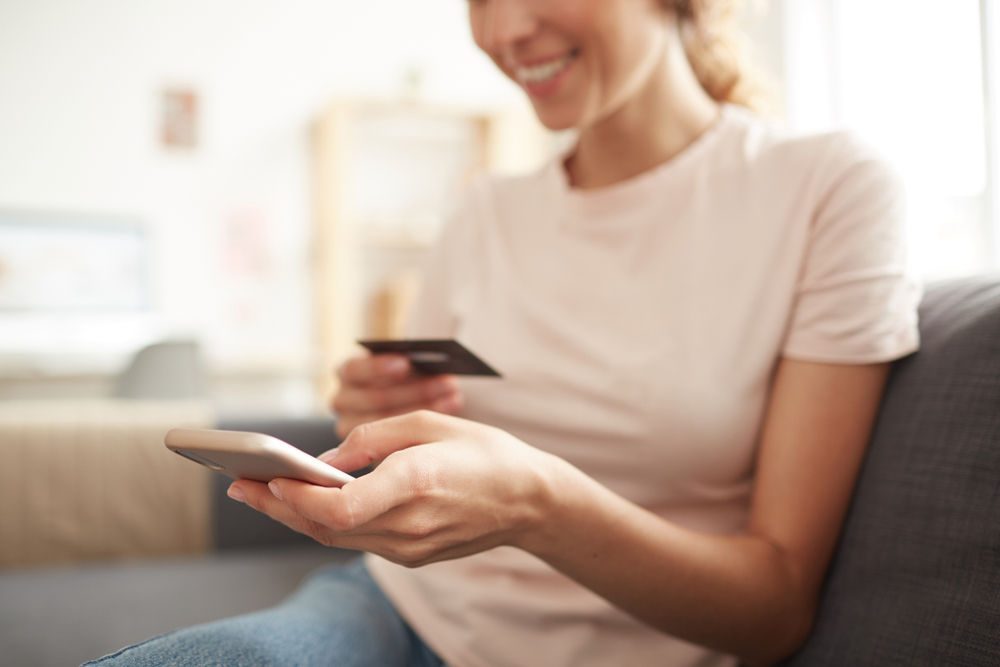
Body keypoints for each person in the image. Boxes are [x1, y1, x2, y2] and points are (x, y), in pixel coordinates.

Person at [86, 0, 920, 665]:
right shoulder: (486, 208)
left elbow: (773, 609)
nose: (504, 30)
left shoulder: (827, 190)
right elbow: (395, 451)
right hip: (398, 610)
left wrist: (537, 502)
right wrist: (369, 418)